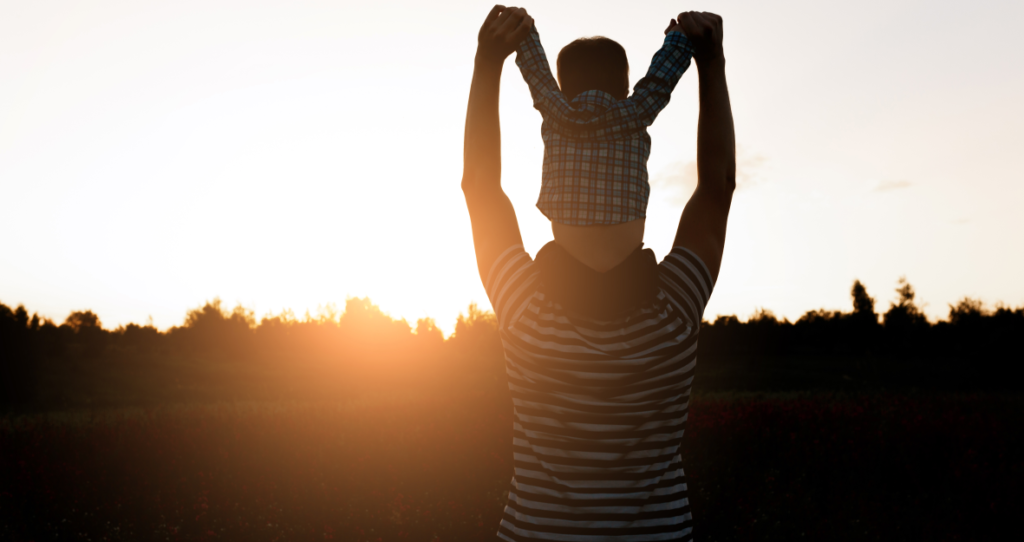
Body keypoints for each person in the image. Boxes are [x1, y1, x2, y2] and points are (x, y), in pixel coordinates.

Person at [461, 5, 734, 541]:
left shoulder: (524, 308)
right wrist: (711, 63)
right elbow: (716, 188)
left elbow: (481, 188)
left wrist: (487, 62)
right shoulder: (674, 309)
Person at [513, 17, 694, 272]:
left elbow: (537, 72)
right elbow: (659, 81)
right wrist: (679, 39)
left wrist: (523, 30)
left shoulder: (556, 113)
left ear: (563, 91)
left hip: (566, 269)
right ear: (625, 88)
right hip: (628, 269)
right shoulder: (636, 112)